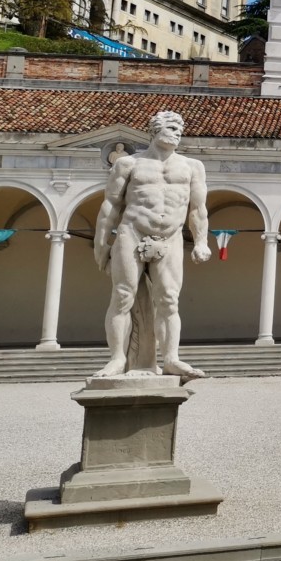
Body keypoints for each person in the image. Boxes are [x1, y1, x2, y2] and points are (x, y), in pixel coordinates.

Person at [93, 110, 211, 381]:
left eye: (180, 129)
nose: (177, 132)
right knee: (123, 295)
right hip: (132, 232)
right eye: (171, 127)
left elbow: (198, 209)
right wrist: (101, 245)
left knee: (169, 300)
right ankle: (116, 359)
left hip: (170, 237)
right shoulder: (128, 164)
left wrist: (202, 241)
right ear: (154, 131)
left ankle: (171, 358)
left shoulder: (192, 167)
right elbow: (110, 206)